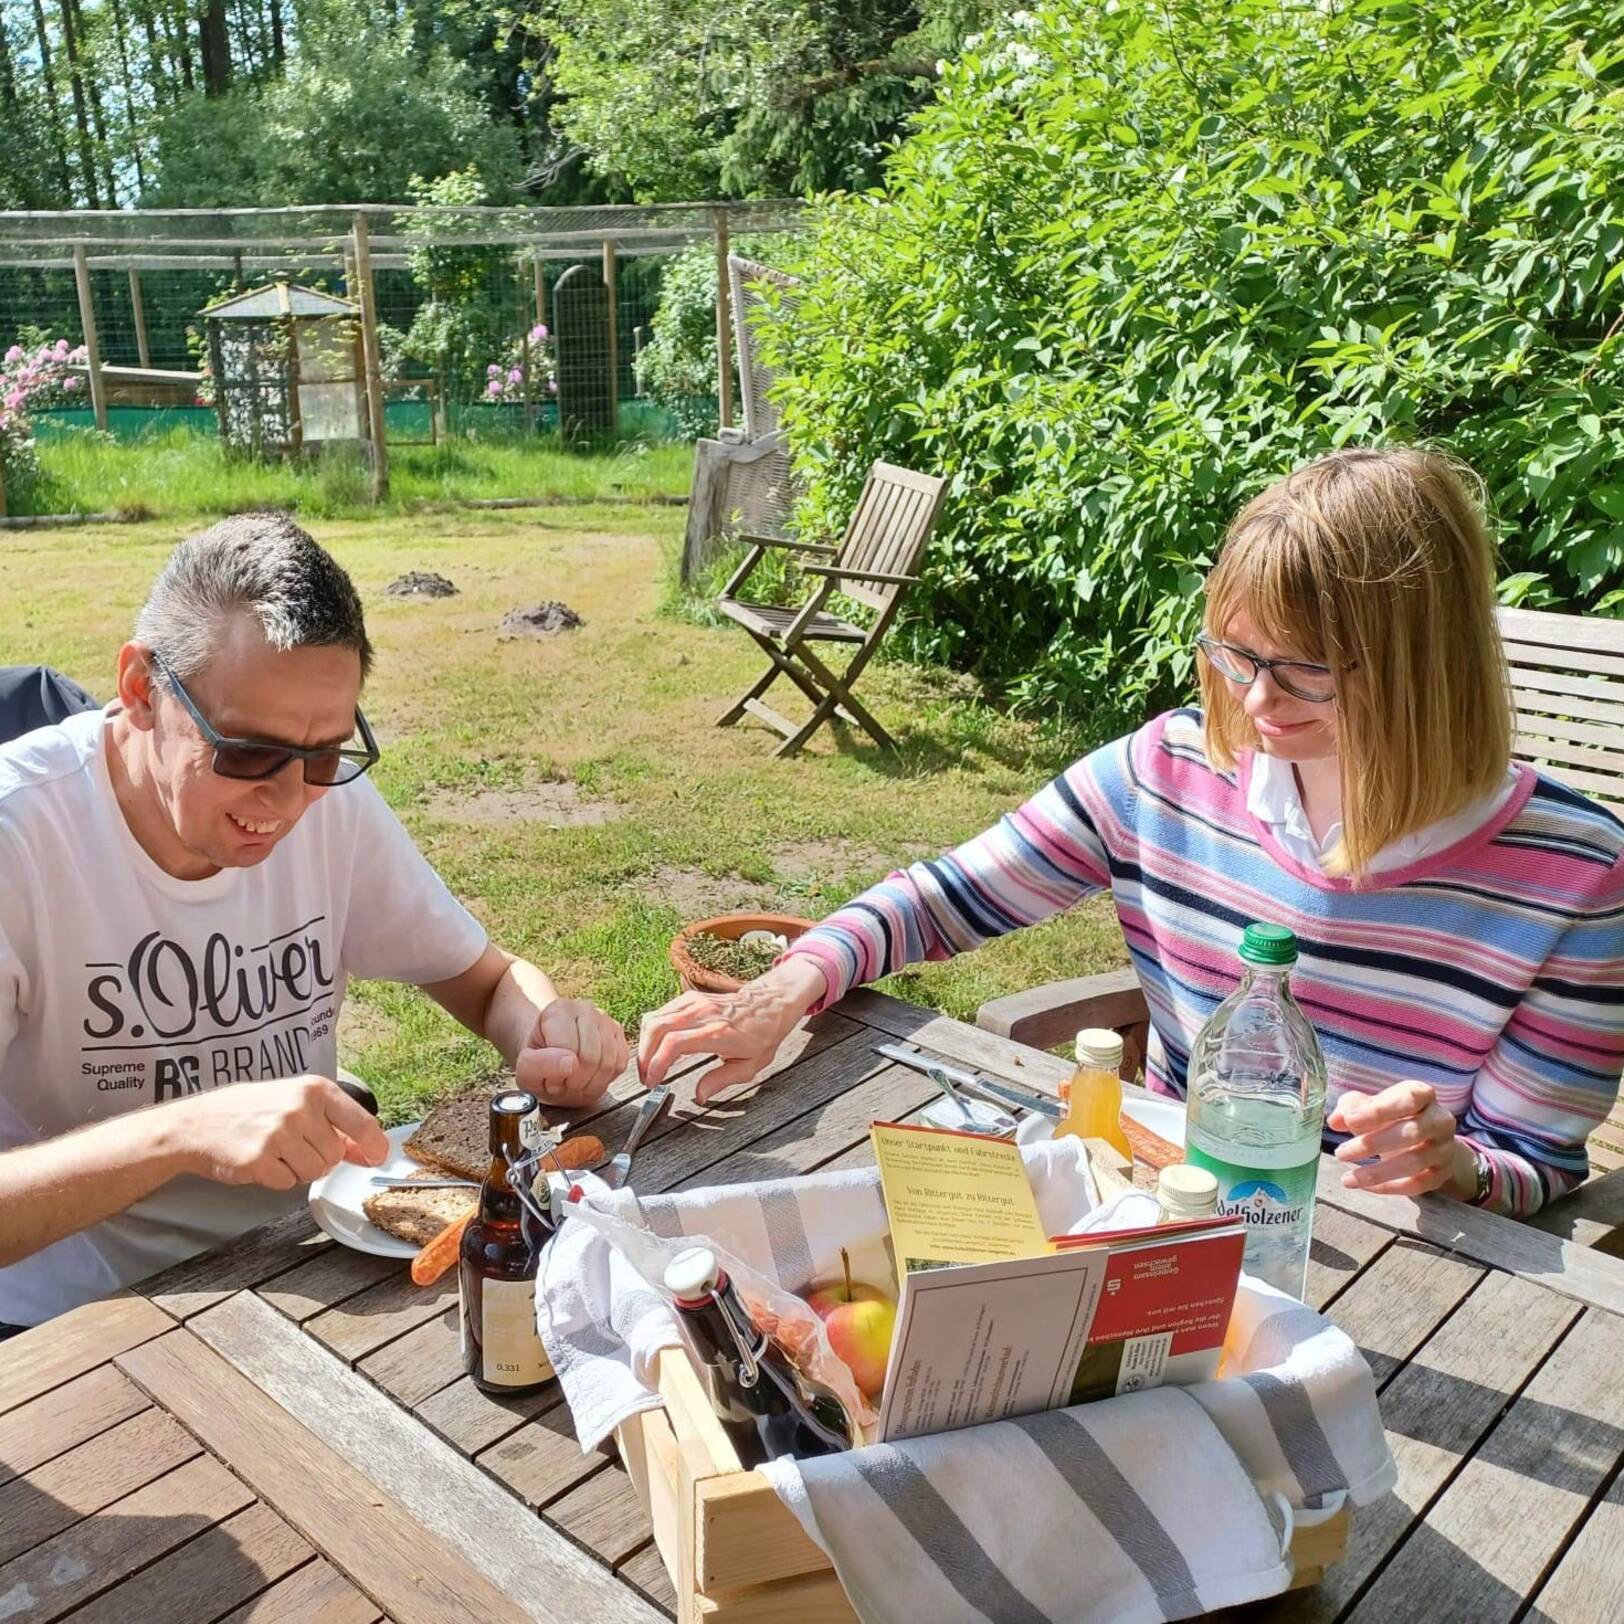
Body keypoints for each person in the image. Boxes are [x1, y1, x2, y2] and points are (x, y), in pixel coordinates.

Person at [640, 447, 1624, 1219]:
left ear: (1422, 664)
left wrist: (1447, 1161)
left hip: (1402, 1264)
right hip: (1160, 1208)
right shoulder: (1170, 771)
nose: (1254, 697)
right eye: (1236, 652)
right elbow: (947, 897)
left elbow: (1534, 1165)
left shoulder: (1576, 878)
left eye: (1305, 668)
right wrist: (787, 984)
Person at [0, 513, 628, 1332]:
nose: (289, 801)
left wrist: (542, 1031)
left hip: (304, 1258)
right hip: (83, 1316)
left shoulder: (327, 805)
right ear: (140, 690)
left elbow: (485, 980)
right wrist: (184, 1133)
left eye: (327, 754)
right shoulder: (20, 838)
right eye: (247, 751)